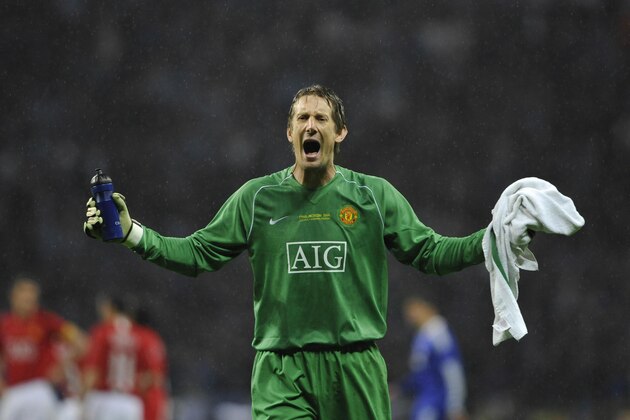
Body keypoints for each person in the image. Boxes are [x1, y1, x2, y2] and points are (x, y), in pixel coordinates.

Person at [83, 84, 486, 419]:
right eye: (302, 119)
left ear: (340, 132)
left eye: (321, 118)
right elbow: (198, 253)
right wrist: (132, 233)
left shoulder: (373, 196)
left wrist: (490, 242)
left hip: (355, 367)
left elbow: (431, 252)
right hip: (281, 369)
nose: (311, 125)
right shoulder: (257, 198)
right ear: (290, 133)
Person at [0, 276, 87, 420]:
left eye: (32, 297)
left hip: (38, 389)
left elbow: (81, 341)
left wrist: (61, 366)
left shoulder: (46, 321)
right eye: (24, 296)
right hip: (13, 390)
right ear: (14, 297)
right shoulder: (5, 324)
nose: (29, 301)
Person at [81, 295, 153, 420]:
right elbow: (151, 375)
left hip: (105, 398)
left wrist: (83, 398)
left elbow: (92, 371)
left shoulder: (102, 332)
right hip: (131, 402)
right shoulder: (141, 335)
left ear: (111, 309)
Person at [401, 295, 468, 420]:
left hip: (437, 402)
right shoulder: (423, 334)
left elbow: (452, 369)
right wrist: (401, 388)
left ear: (426, 307)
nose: (409, 314)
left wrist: (456, 406)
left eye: (414, 308)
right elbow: (420, 374)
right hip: (425, 400)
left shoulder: (438, 332)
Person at [134, 308, 170, 420]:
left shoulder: (141, 338)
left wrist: (133, 385)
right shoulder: (155, 339)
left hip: (146, 396)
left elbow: (154, 374)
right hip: (157, 395)